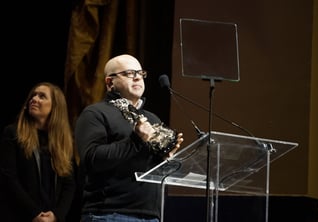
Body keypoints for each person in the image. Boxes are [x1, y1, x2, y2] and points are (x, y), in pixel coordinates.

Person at [74, 54, 184, 222]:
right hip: (109, 214)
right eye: (129, 73)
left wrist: (166, 160)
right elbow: (92, 159)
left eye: (140, 73)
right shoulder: (95, 113)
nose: (138, 77)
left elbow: (148, 169)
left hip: (151, 216)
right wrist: (136, 139)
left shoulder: (152, 118)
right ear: (110, 82)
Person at [0, 82, 77, 222]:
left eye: (42, 96)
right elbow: (9, 177)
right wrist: (34, 213)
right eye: (33, 95)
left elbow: (69, 184)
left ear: (55, 107)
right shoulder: (12, 133)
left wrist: (57, 215)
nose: (34, 99)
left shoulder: (64, 142)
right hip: (20, 216)